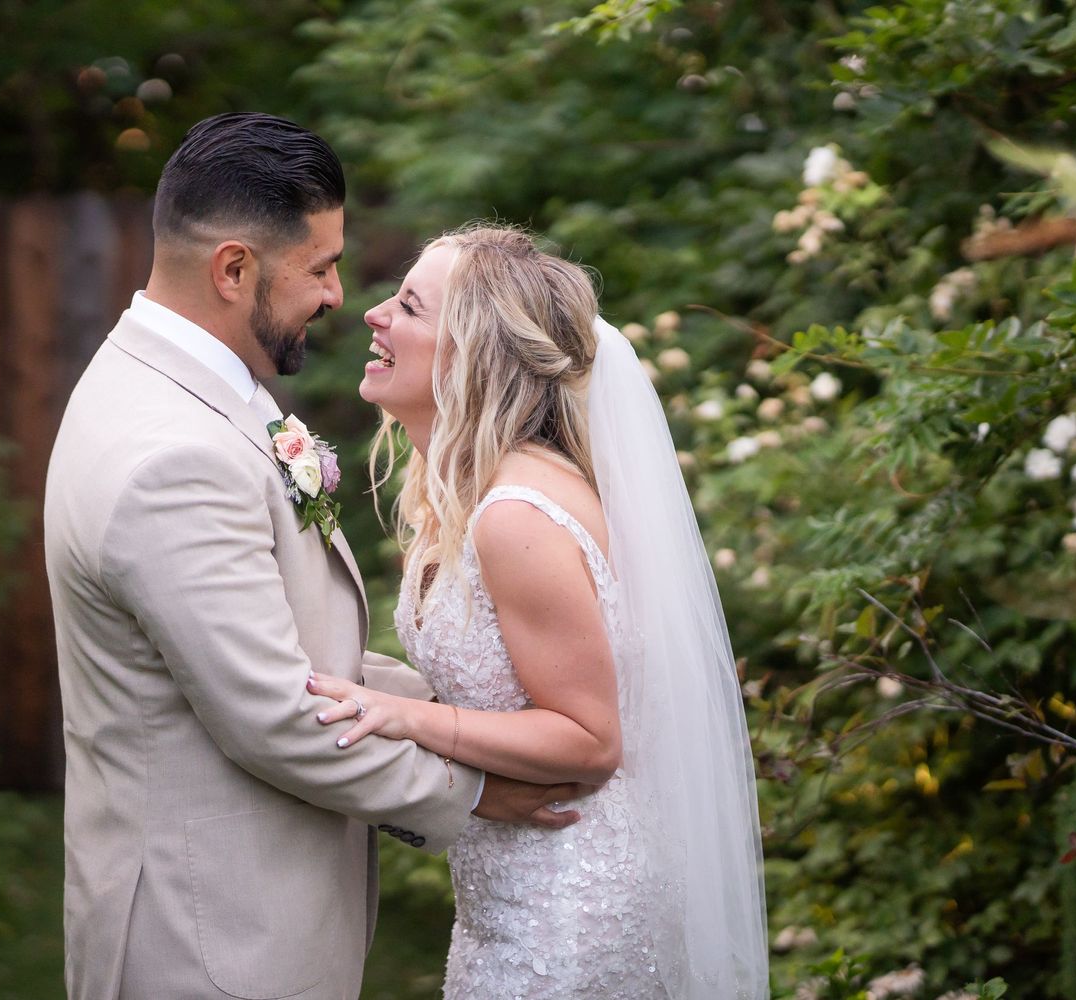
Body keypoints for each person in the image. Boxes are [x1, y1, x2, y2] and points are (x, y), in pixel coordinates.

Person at [44, 116, 582, 1000]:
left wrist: (461, 708)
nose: (338, 296)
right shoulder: (173, 457)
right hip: (207, 944)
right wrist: (477, 788)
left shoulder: (174, 386)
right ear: (233, 269)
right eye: (320, 267)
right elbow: (277, 717)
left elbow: (288, 640)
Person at [306, 224, 769, 998]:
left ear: (475, 354)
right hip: (513, 898)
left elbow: (589, 740)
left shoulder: (515, 515)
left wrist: (405, 719)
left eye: (410, 307)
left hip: (567, 913)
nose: (374, 314)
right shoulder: (474, 494)